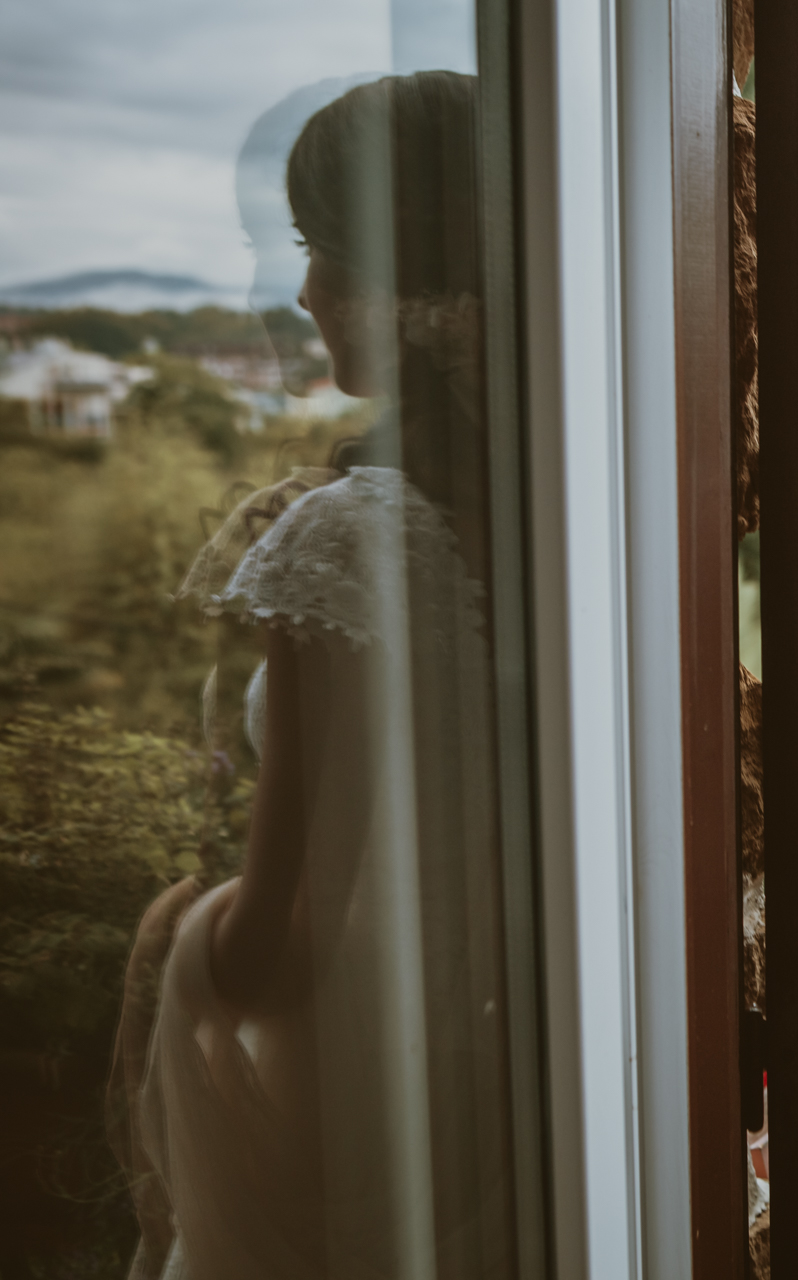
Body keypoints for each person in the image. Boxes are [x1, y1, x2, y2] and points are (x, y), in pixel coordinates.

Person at [125, 72, 516, 1280]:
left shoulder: (343, 542)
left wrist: (176, 931)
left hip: (366, 1133)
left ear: (403, 277)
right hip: (513, 1106)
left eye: (319, 245)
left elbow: (274, 952)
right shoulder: (565, 510)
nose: (301, 288)